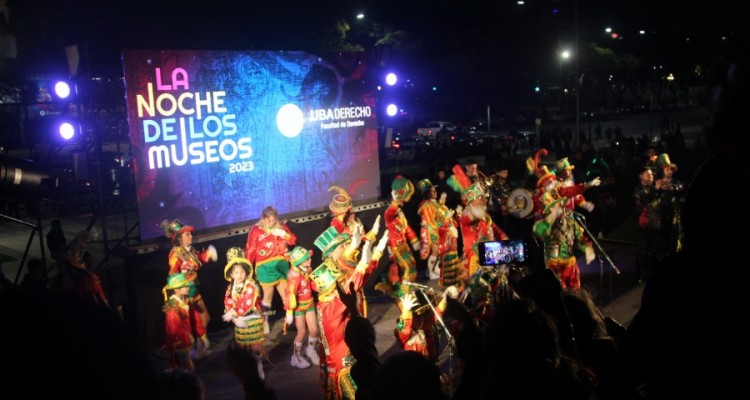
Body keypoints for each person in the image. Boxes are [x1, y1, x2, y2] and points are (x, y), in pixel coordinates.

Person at [310, 221, 388, 400]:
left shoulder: (327, 300)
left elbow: (358, 279)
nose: (346, 247)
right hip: (345, 367)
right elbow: (351, 285)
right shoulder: (329, 306)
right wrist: (364, 256)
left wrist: (376, 253)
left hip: (347, 356)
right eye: (342, 245)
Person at [162, 218, 217, 357]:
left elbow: (199, 259)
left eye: (190, 234)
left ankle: (198, 349)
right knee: (192, 322)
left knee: (202, 319)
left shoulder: (190, 250)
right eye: (187, 234)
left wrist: (208, 254)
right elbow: (173, 274)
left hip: (193, 290)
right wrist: (182, 282)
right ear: (179, 238)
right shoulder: (175, 254)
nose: (191, 236)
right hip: (185, 293)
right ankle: (192, 351)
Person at [244, 206, 297, 333]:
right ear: (264, 218)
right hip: (265, 267)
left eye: (274, 220)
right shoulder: (256, 229)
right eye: (269, 221)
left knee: (286, 294)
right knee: (268, 296)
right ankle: (265, 322)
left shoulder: (281, 227)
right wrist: (247, 267)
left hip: (281, 264)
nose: (272, 223)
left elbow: (293, 241)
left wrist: (285, 234)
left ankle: (290, 320)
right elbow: (250, 249)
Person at [221, 247, 267, 380]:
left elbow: (246, 303)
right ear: (231, 274)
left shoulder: (251, 286)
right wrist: (234, 319)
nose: (240, 275)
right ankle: (249, 367)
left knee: (255, 347)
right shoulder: (230, 288)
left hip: (252, 318)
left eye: (242, 272)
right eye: (236, 272)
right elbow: (228, 302)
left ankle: (258, 364)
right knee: (244, 348)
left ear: (246, 272)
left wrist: (234, 313)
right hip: (239, 320)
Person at [377, 175, 420, 300]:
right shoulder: (390, 211)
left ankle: (408, 290)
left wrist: (414, 240)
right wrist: (395, 202)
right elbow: (390, 215)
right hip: (395, 246)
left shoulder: (400, 211)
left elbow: (406, 227)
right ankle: (405, 293)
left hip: (404, 244)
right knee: (407, 267)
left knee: (412, 265)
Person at [284, 246, 321, 369]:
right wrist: (289, 312)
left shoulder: (307, 270)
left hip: (309, 303)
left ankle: (310, 350)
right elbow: (290, 293)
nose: (309, 260)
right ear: (299, 261)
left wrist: (319, 287)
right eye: (306, 259)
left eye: (309, 258)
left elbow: (312, 284)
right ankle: (296, 356)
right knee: (302, 331)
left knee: (315, 330)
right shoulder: (295, 275)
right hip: (299, 307)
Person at [162, 273, 207, 372]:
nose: (188, 287)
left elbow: (195, 318)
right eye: (185, 286)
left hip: (187, 339)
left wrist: (200, 332)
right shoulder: (172, 307)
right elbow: (174, 328)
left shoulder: (186, 301)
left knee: (185, 366)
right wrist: (183, 342)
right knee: (189, 368)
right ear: (176, 289)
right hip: (180, 343)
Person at [416, 178, 453, 280]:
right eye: (433, 191)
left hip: (437, 230)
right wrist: (443, 222)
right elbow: (431, 221)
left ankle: (435, 269)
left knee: (438, 252)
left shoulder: (433, 203)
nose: (435, 192)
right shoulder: (427, 205)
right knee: (435, 251)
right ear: (427, 193)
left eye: (435, 190)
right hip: (431, 231)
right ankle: (431, 272)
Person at [632, 166, 662, 283]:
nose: (651, 177)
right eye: (648, 175)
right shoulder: (637, 190)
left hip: (656, 224)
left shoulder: (654, 187)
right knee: (642, 251)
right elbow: (644, 201)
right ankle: (641, 275)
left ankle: (653, 273)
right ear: (641, 176)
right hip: (644, 226)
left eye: (652, 175)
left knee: (654, 252)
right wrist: (656, 189)